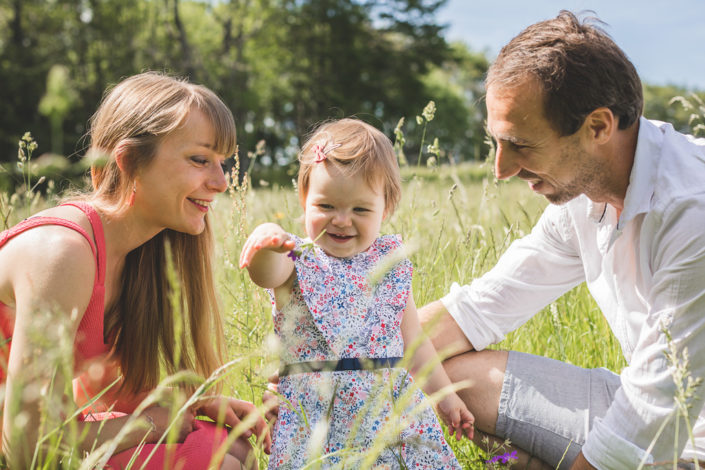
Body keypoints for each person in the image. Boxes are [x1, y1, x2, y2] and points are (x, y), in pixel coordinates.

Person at [419, 10, 705, 470]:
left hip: (685, 435)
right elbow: (478, 309)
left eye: (521, 145)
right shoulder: (580, 202)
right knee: (448, 378)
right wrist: (317, 371)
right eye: (497, 143)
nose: (501, 170)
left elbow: (657, 403)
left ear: (598, 127)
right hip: (643, 408)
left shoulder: (692, 210)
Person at [0, 72, 271, 469]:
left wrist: (187, 407)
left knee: (226, 446)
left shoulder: (139, 255)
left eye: (222, 163)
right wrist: (145, 424)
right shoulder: (63, 253)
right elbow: (25, 447)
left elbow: (99, 394)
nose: (220, 182)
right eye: (200, 160)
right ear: (128, 162)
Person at [239, 118, 474, 468]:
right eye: (326, 206)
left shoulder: (390, 266)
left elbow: (414, 343)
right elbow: (265, 274)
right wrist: (267, 240)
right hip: (316, 413)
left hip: (388, 407)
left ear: (386, 208)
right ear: (305, 201)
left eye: (360, 209)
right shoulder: (297, 257)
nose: (341, 220)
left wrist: (445, 395)